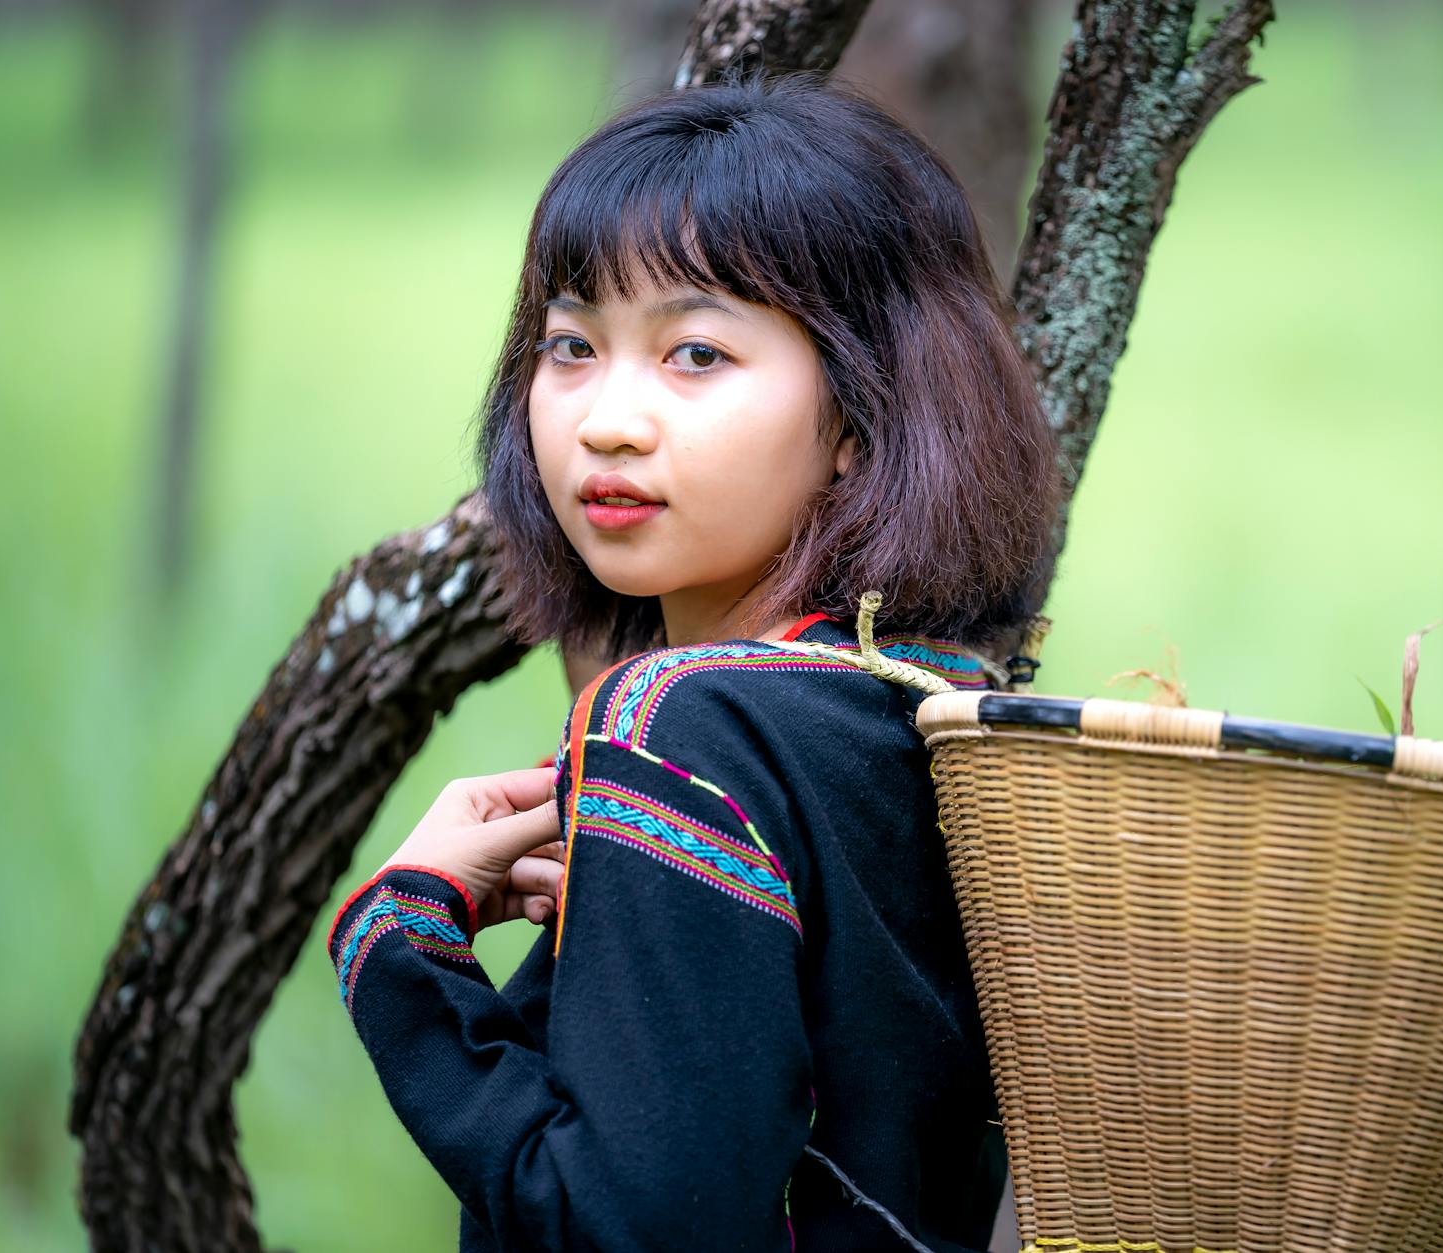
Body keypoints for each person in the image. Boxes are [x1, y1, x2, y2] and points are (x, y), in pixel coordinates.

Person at [323, 69, 1060, 1252]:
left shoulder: (677, 720)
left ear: (860, 420)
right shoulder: (930, 706)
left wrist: (399, 947)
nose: (605, 419)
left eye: (696, 354)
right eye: (570, 345)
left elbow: (626, 1225)